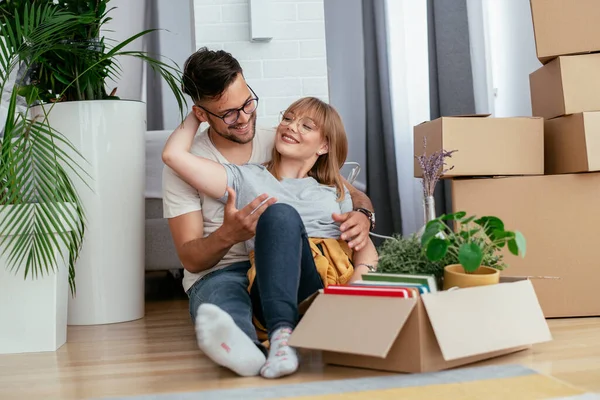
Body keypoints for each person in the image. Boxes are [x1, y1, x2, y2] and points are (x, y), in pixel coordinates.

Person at [161, 47, 376, 377]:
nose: (245, 118)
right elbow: (190, 257)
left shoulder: (279, 141)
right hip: (225, 268)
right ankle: (252, 349)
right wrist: (229, 234)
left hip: (311, 273)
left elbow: (344, 190)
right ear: (204, 114)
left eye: (248, 103)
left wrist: (363, 214)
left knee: (282, 219)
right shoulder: (247, 174)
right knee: (229, 296)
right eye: (229, 113)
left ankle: (272, 341)